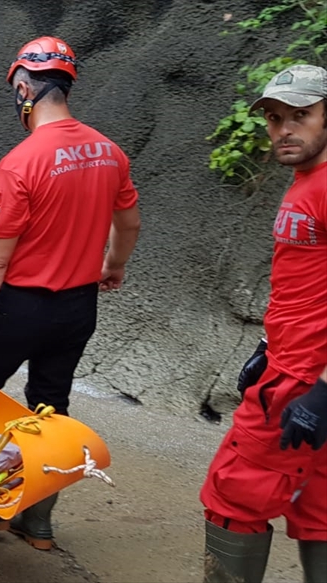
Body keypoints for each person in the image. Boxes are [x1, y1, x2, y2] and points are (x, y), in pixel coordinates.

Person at [0, 36, 141, 551]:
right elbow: (129, 223)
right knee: (51, 404)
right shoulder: (109, 152)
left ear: (25, 89)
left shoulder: (20, 163)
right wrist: (113, 265)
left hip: (21, 307)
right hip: (78, 307)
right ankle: (38, 520)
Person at [201, 64, 327, 583]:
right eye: (275, 118)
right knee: (321, 505)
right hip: (293, 365)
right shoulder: (307, 181)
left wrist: (322, 391)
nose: (284, 129)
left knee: (233, 494)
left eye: (301, 115)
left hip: (302, 382)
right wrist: (265, 343)